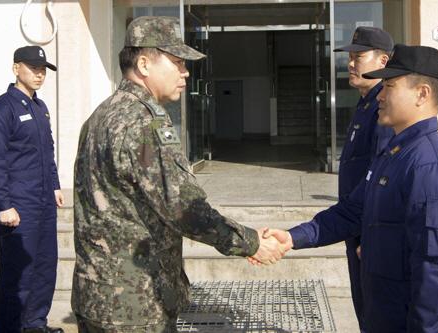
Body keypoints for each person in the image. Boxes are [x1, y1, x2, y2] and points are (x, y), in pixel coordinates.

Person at [71, 16, 284, 332]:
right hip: (134, 306)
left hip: (95, 297)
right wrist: (251, 242)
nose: (185, 72)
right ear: (144, 64)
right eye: (176, 62)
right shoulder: (143, 123)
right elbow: (184, 210)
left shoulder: (102, 115)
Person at [254, 44, 438, 332]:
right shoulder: (394, 152)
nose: (379, 93)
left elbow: (434, 272)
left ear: (422, 94)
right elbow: (352, 212)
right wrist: (292, 237)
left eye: (389, 86)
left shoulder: (431, 165)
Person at [0, 46, 65, 333]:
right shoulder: (0, 110)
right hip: (18, 201)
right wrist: (4, 204)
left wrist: (54, 186)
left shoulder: (39, 107)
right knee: (18, 273)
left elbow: (47, 152)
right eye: (33, 69)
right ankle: (9, 328)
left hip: (42, 201)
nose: (39, 74)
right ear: (16, 69)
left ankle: (35, 324)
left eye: (42, 70)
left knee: (44, 266)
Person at [333, 26, 394, 333]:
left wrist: (371, 237)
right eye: (350, 57)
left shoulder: (383, 108)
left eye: (359, 56)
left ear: (383, 61)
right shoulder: (366, 104)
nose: (351, 63)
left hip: (368, 234)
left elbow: (380, 179)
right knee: (364, 312)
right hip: (355, 229)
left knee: (374, 316)